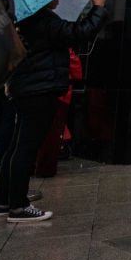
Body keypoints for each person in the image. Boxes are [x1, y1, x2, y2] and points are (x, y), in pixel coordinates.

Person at [0, 0, 108, 223]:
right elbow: (80, 32)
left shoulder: (23, 21)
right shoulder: (43, 21)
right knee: (27, 146)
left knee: (17, 145)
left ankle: (4, 200)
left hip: (24, 87)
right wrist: (98, 9)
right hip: (39, 89)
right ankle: (18, 206)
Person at [34, 48, 82, 177]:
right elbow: (75, 65)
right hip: (59, 90)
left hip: (39, 88)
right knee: (53, 132)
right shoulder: (61, 43)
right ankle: (45, 168)